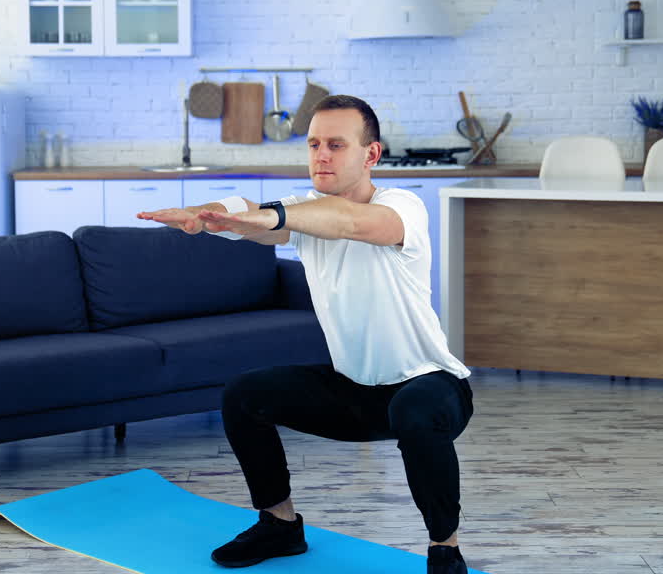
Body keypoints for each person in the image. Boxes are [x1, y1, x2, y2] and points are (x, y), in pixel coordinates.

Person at [137, 95, 473, 574]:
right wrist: (211, 215)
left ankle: (446, 549)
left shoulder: (401, 207)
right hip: (356, 391)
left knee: (414, 409)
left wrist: (272, 215)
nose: (321, 155)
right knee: (243, 394)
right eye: (314, 144)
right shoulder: (305, 212)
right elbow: (252, 212)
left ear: (371, 155)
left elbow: (346, 222)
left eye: (336, 145)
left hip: (433, 385)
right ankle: (280, 525)